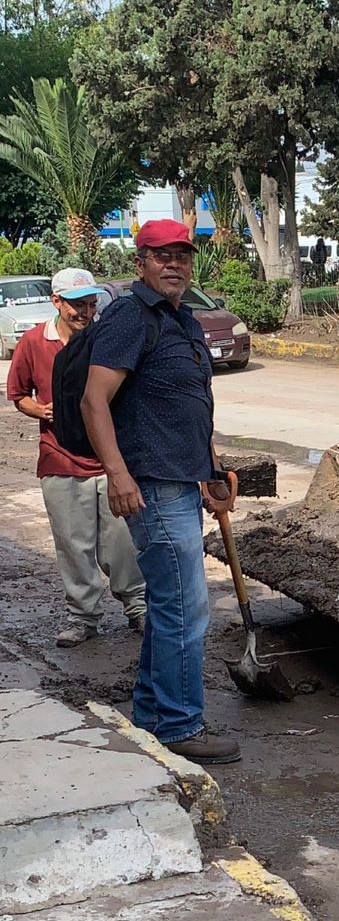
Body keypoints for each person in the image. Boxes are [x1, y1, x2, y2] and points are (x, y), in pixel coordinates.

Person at [80, 219, 241, 766]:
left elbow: (191, 405)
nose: (174, 264)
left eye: (182, 255)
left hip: (183, 480)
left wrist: (213, 470)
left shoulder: (185, 322)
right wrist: (118, 475)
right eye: (161, 255)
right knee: (186, 608)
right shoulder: (131, 316)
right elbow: (93, 401)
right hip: (150, 485)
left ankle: (152, 714)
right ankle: (179, 725)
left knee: (173, 606)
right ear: (140, 262)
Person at [6, 267, 146, 648]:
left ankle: (138, 608)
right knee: (73, 544)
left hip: (111, 460)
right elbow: (18, 394)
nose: (85, 313)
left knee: (123, 542)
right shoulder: (34, 342)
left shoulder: (108, 339)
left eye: (90, 304)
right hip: (59, 457)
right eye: (76, 305)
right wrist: (42, 411)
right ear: (56, 302)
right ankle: (83, 617)